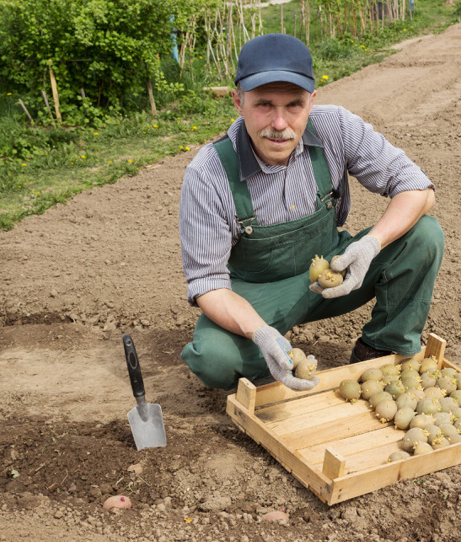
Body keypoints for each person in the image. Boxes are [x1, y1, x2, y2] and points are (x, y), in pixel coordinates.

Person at [179, 33, 444, 392]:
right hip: (257, 295)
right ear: (238, 101)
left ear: (312, 101)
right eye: (264, 105)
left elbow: (418, 189)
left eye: (294, 105)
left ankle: (381, 347)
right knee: (214, 358)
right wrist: (260, 333)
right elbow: (209, 284)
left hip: (334, 271)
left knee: (423, 235)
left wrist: (371, 245)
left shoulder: (335, 127)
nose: (279, 123)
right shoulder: (208, 173)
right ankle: (271, 366)